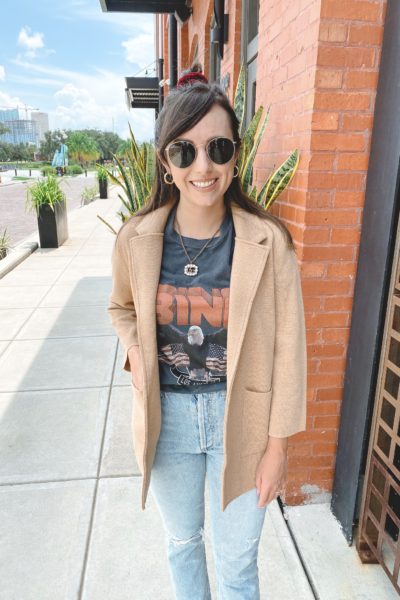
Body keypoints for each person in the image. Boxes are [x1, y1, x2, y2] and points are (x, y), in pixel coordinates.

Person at [108, 62, 307, 600]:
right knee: (182, 543)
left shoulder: (269, 243)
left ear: (236, 157)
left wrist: (278, 448)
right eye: (184, 150)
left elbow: (291, 350)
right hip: (167, 420)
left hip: (240, 418)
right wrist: (134, 354)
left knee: (238, 562)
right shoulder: (136, 239)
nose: (203, 165)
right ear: (166, 162)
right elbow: (121, 307)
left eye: (218, 148)